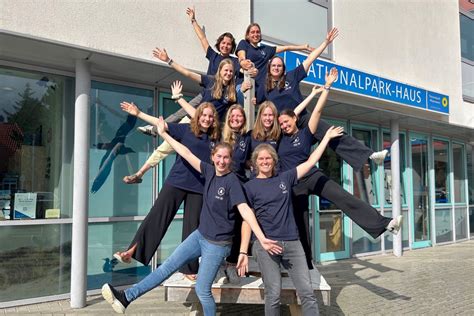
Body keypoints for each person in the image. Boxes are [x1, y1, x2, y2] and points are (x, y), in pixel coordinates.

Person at [102, 117, 283, 315]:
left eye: (226, 158)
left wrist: (262, 239)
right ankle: (127, 298)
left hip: (218, 245)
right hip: (199, 236)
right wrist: (163, 133)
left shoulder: (233, 182)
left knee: (202, 290)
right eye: (218, 157)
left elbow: (246, 211)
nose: (222, 161)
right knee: (166, 268)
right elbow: (184, 152)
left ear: (231, 160)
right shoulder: (209, 171)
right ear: (213, 157)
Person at [277, 68, 402, 268]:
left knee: (344, 198)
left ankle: (384, 223)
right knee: (300, 226)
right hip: (293, 184)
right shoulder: (279, 139)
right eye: (281, 123)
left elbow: (316, 111)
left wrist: (326, 87)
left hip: (312, 176)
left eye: (287, 121)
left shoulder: (305, 132)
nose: (284, 125)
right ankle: (307, 268)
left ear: (295, 119)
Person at [240, 125, 344, 316]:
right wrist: (243, 251)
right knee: (273, 293)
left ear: (274, 160)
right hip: (266, 245)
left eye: (268, 158)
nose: (265, 161)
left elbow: (311, 161)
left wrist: (326, 138)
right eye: (261, 159)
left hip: (292, 243)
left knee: (307, 292)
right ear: (254, 163)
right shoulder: (250, 187)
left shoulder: (285, 178)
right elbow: (247, 220)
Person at [114, 101, 220, 282]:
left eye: (210, 116)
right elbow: (160, 123)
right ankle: (132, 251)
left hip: (199, 188)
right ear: (198, 116)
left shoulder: (215, 139)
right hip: (177, 181)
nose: (207, 119)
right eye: (204, 115)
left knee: (192, 227)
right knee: (157, 216)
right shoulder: (185, 129)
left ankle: (189, 268)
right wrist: (139, 113)